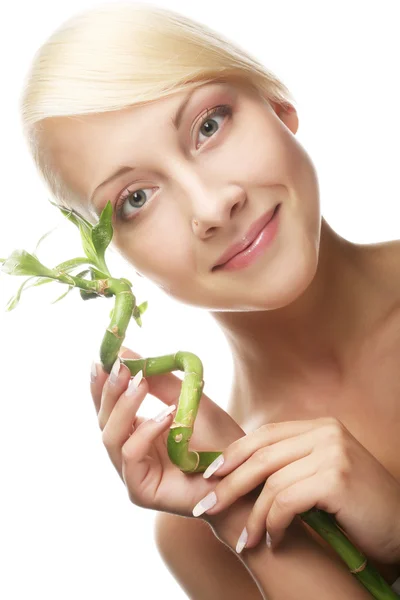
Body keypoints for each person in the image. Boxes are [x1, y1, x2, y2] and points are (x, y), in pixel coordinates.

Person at [19, 3, 400, 598]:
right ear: (114, 253)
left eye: (208, 125)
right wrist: (237, 508)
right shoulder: (198, 526)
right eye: (137, 198)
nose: (211, 207)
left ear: (278, 103)